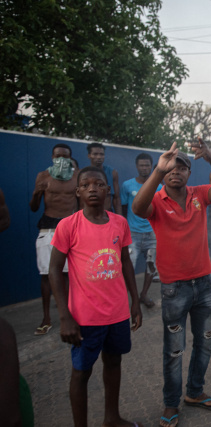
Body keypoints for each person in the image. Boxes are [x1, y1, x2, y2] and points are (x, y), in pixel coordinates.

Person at [132, 139, 211, 426]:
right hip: (174, 288)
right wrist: (157, 172)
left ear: (189, 173)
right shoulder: (157, 201)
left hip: (204, 284)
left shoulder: (199, 194)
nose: (176, 172)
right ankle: (170, 404)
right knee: (174, 350)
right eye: (171, 169)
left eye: (182, 168)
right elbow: (138, 209)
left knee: (205, 344)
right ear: (165, 173)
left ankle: (195, 392)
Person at [49, 166, 143, 427]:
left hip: (117, 314)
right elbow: (55, 270)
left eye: (99, 184)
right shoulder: (68, 225)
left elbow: (125, 262)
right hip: (85, 317)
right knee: (81, 372)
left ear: (107, 190)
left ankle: (112, 419)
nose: (93, 188)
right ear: (78, 191)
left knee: (113, 363)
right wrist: (64, 316)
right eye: (87, 185)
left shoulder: (119, 223)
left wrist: (134, 301)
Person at [29, 143, 78, 335]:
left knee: (69, 275)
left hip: (70, 228)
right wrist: (36, 192)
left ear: (70, 158)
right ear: (52, 157)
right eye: (58, 156)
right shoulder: (43, 176)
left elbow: (82, 207)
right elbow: (33, 207)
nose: (61, 160)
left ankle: (70, 314)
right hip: (48, 228)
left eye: (65, 156)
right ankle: (46, 317)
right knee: (46, 275)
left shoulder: (77, 176)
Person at [120, 153, 162, 308]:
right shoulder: (127, 185)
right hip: (133, 234)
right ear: (137, 166)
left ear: (152, 167)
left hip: (152, 234)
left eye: (147, 165)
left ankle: (143, 294)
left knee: (151, 265)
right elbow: (124, 209)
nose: (144, 168)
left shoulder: (158, 187)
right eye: (141, 165)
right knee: (128, 266)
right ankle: (131, 297)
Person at [86, 143, 121, 214]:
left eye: (101, 154)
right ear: (89, 156)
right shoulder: (83, 174)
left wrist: (120, 217)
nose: (99, 157)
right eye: (95, 154)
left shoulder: (112, 173)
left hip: (107, 215)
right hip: (89, 216)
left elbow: (116, 198)